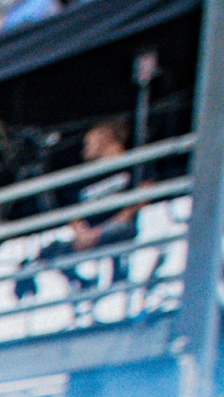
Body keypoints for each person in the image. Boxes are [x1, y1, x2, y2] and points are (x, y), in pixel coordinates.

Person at [15, 118, 143, 302]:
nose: (84, 148)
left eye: (88, 142)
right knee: (50, 252)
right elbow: (73, 212)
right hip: (90, 235)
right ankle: (80, 284)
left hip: (119, 228)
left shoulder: (132, 163)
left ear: (105, 137)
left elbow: (143, 196)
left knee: (119, 230)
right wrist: (81, 232)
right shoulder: (85, 177)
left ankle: (118, 281)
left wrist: (101, 230)